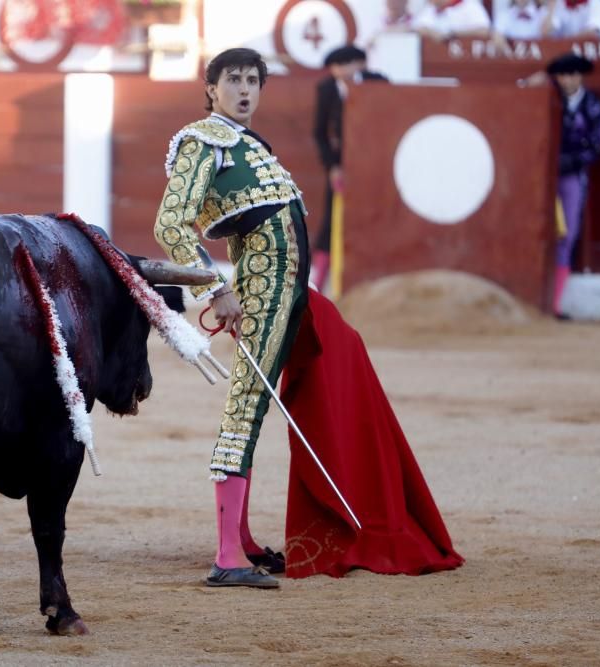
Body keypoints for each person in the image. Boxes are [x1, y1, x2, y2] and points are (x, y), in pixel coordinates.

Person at [152, 47, 462, 587]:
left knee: (342, 358)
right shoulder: (203, 141)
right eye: (233, 80)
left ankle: (245, 541)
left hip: (293, 291)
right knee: (246, 407)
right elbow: (171, 224)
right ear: (211, 89)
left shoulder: (249, 146)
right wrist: (217, 289)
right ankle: (228, 559)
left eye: (253, 80)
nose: (245, 89)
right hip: (263, 292)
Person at [310, 45, 387, 292]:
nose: (338, 71)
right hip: (343, 164)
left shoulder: (379, 83)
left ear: (360, 64)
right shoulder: (327, 89)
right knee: (331, 221)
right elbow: (320, 133)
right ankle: (319, 285)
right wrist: (332, 167)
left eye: (344, 65)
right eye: (335, 66)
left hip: (375, 163)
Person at [545, 53, 600, 317]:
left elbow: (597, 146)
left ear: (580, 76)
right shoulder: (546, 98)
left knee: (566, 235)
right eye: (562, 74)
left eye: (572, 74)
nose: (567, 80)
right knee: (537, 233)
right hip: (542, 177)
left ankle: (555, 304)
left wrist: (567, 162)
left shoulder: (593, 105)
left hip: (572, 176)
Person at [410, 0, 493, 41]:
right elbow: (415, 27)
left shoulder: (470, 6)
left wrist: (454, 34)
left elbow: (484, 31)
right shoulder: (430, 9)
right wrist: (431, 32)